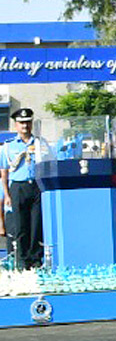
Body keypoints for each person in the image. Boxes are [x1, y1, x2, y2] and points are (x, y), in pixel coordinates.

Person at [2, 108, 49, 269]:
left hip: (36, 186)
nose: (25, 126)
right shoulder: (8, 147)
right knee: (21, 225)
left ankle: (36, 259)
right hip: (18, 187)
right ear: (16, 125)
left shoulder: (39, 143)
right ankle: (22, 260)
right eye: (22, 123)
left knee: (36, 224)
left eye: (27, 122)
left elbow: (48, 163)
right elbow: (4, 171)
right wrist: (7, 194)